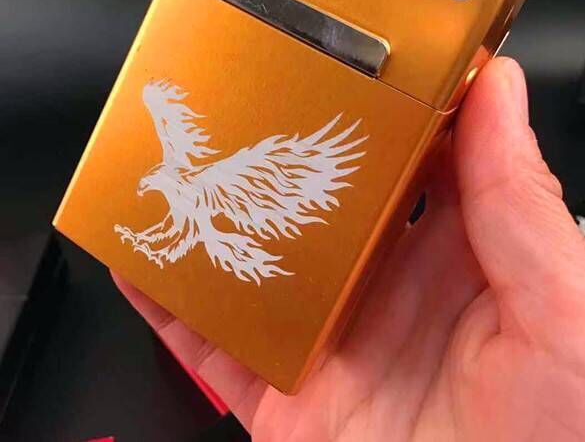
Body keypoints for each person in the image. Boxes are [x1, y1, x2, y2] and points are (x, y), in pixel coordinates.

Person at [113, 57, 585, 441]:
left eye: (152, 182)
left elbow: (192, 225)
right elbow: (183, 230)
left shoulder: (202, 182)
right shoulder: (181, 190)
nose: (149, 185)